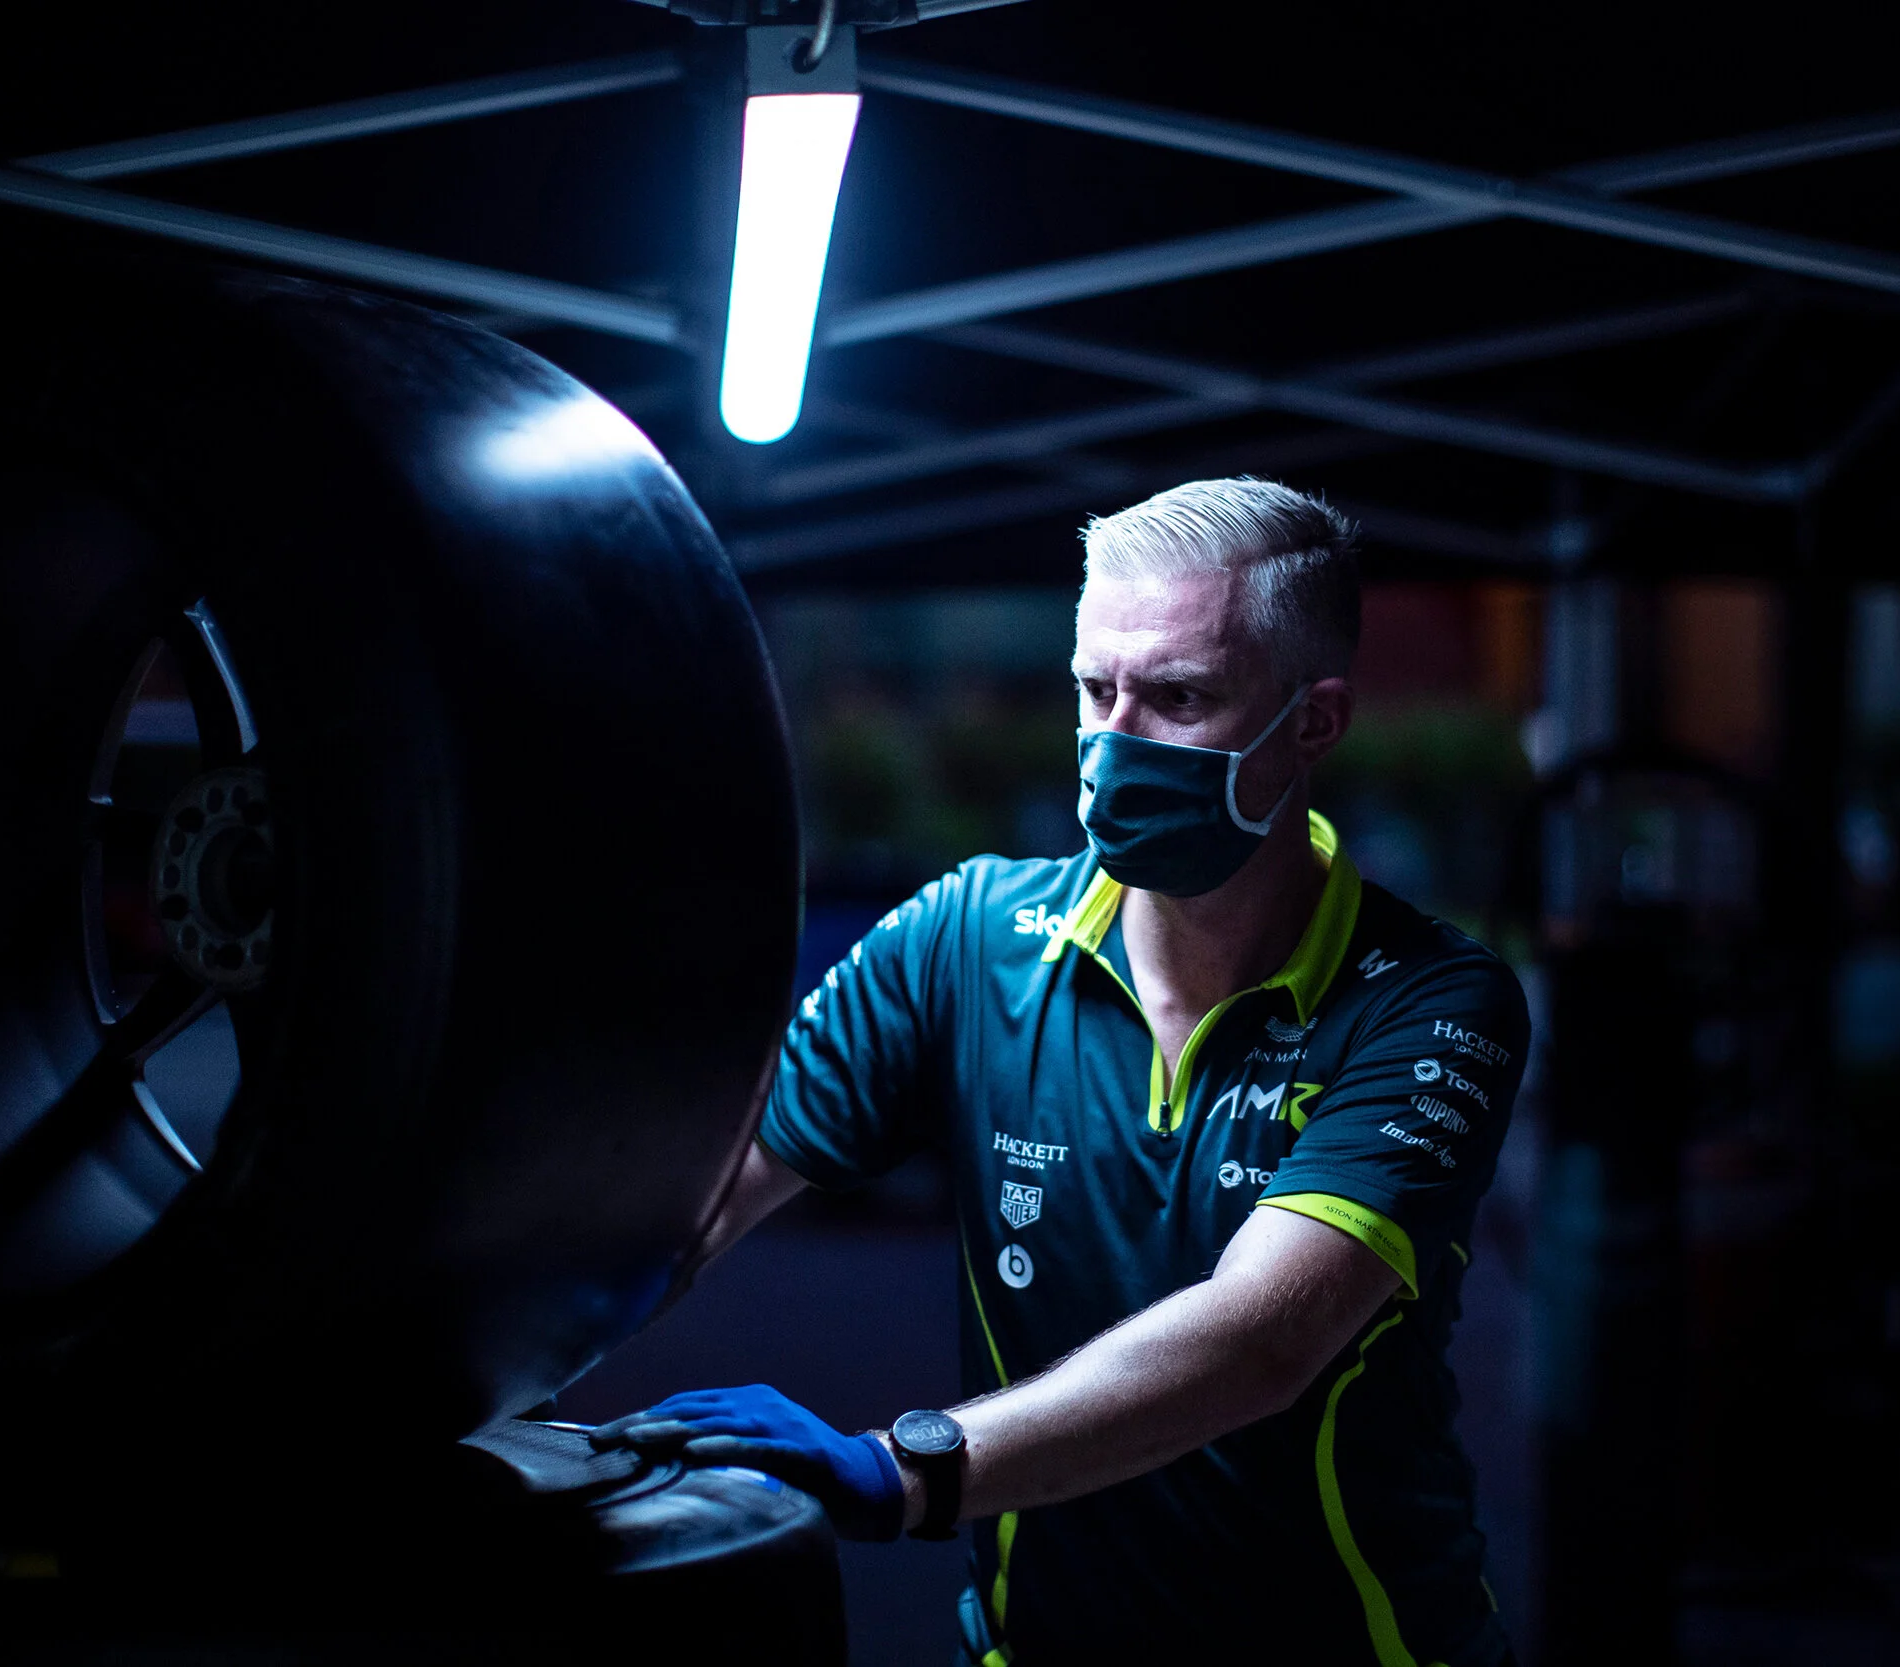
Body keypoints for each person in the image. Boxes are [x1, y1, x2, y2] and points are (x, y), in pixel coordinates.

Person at [597, 478, 1529, 1666]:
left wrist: (906, 1466)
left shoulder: (1429, 997)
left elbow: (1260, 1340)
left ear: (1314, 721)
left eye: (1178, 696)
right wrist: (457, 1370)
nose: (1115, 741)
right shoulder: (967, 937)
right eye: (1095, 689)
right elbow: (695, 1195)